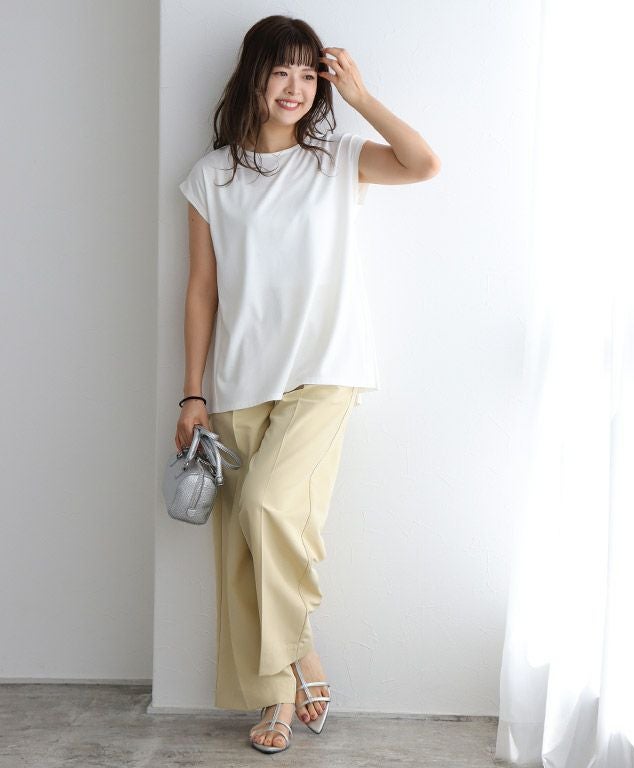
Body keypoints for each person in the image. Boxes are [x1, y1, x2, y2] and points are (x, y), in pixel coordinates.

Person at [175, 14, 440, 754]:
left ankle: (300, 660)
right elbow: (202, 290)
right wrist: (192, 393)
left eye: (306, 73)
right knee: (247, 549)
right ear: (253, 78)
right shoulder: (211, 176)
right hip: (239, 381)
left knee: (266, 505)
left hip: (326, 372)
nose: (294, 87)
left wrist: (362, 98)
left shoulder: (337, 159)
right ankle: (278, 703)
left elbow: (423, 164)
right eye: (280, 71)